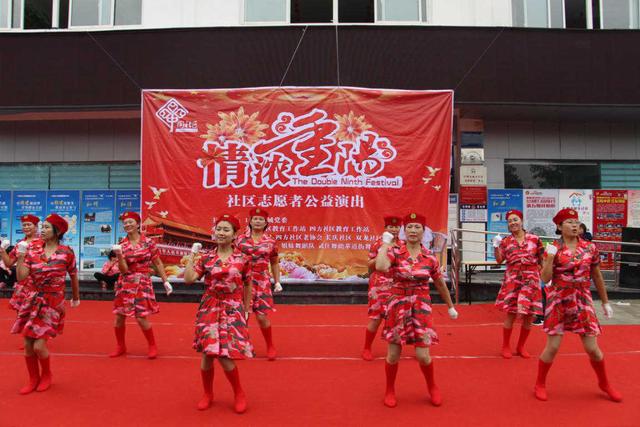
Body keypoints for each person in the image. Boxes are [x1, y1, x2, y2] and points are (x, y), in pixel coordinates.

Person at [535, 208, 622, 402]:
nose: (574, 225)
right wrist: (549, 259)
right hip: (558, 298)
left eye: (576, 221)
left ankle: (604, 383)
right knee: (553, 347)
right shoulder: (552, 248)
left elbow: (597, 276)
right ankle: (540, 383)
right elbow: (545, 279)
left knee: (592, 348)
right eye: (569, 222)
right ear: (559, 227)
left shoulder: (590, 248)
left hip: (582, 299)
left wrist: (606, 302)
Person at [375, 212, 458, 408]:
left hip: (421, 305)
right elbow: (380, 266)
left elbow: (439, 283)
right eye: (409, 227)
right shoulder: (395, 251)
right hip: (398, 304)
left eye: (417, 227)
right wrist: (385, 244)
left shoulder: (429, 257)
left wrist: (450, 306)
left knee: (423, 355)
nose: (413, 230)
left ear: (424, 231)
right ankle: (389, 389)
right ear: (404, 231)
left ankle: (432, 387)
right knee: (394, 354)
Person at [184, 214, 253, 414]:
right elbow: (189, 279)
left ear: (234, 235)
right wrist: (191, 256)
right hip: (210, 306)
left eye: (226, 230)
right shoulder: (206, 258)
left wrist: (246, 309)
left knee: (225, 355)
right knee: (207, 353)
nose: (221, 233)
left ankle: (239, 392)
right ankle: (208, 394)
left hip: (232, 307)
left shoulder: (243, 259)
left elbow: (248, 284)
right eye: (218, 229)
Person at [12, 213, 80, 394]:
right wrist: (20, 257)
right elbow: (21, 277)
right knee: (27, 345)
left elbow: (73, 275)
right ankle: (33, 378)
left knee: (39, 345)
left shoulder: (66, 252)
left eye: (47, 227)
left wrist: (76, 297)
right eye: (42, 227)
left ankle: (47, 374)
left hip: (53, 302)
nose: (42, 230)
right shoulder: (32, 249)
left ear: (57, 231)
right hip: (32, 300)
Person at [109, 211, 173, 359]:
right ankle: (120, 346)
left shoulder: (148, 242)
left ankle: (152, 345)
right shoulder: (121, 245)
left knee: (141, 317)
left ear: (138, 224)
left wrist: (166, 281)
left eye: (131, 222)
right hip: (125, 283)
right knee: (119, 316)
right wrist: (119, 254)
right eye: (125, 223)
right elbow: (123, 270)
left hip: (142, 281)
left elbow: (157, 262)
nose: (128, 225)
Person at [492, 209, 544, 358]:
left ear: (521, 221)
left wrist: (545, 275)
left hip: (531, 280)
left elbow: (542, 259)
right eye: (509, 221)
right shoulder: (506, 241)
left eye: (515, 220)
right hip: (513, 280)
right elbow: (499, 260)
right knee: (511, 314)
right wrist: (496, 247)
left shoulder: (534, 239)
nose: (513, 223)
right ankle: (506, 346)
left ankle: (521, 346)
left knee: (529, 316)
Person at [235, 208, 281, 360]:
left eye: (261, 219)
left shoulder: (271, 241)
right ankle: (242, 346)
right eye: (255, 219)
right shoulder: (240, 240)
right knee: (243, 315)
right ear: (250, 221)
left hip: (262, 282)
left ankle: (270, 345)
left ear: (266, 223)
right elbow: (233, 259)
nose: (258, 222)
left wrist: (277, 281)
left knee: (262, 317)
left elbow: (274, 262)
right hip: (243, 281)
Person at [362, 215, 403, 361]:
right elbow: (369, 264)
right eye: (390, 227)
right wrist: (381, 255)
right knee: (376, 318)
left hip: (398, 285)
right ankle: (367, 347)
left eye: (396, 226)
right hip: (379, 285)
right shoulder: (378, 243)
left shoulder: (403, 244)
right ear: (385, 228)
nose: (393, 229)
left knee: (400, 318)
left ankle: (400, 347)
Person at [0, 215, 43, 312]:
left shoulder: (43, 242)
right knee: (22, 315)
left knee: (39, 316)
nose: (26, 227)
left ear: (36, 227)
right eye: (24, 225)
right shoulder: (19, 244)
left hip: (38, 285)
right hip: (23, 285)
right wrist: (2, 251)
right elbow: (9, 263)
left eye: (29, 225)